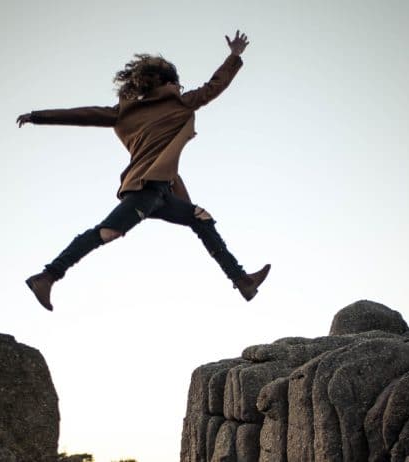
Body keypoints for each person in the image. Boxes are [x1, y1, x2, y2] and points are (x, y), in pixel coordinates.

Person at [17, 30, 270, 311]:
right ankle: (48, 276)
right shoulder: (179, 102)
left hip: (161, 191)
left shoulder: (124, 112)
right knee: (107, 232)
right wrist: (234, 56)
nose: (179, 85)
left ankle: (242, 281)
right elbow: (215, 86)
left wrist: (37, 116)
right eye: (176, 81)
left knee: (201, 218)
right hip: (145, 190)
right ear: (168, 82)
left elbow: (82, 114)